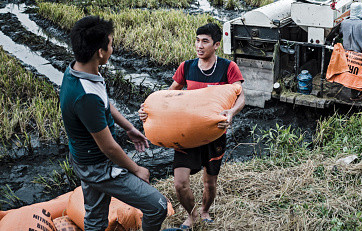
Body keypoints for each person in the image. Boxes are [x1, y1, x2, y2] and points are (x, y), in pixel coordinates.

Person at [60, 16, 169, 231]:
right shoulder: (84, 96)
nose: (112, 49)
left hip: (85, 158)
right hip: (98, 166)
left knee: (95, 218)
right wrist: (137, 169)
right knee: (158, 206)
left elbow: (105, 103)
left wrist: (129, 128)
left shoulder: (79, 70)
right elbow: (108, 147)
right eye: (110, 44)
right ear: (100, 52)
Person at [139, 22, 245, 230]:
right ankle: (193, 214)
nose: (199, 45)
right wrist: (148, 111)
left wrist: (231, 112)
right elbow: (169, 96)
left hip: (213, 135)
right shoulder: (186, 67)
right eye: (197, 40)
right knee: (180, 183)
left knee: (210, 182)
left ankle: (205, 211)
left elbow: (241, 96)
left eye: (205, 41)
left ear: (216, 45)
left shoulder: (228, 67)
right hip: (186, 134)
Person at [339, 2, 362, 100]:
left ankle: (352, 91)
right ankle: (355, 95)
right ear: (360, 11)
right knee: (359, 74)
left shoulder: (344, 23)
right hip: (360, 54)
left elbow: (341, 34)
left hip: (346, 53)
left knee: (350, 72)